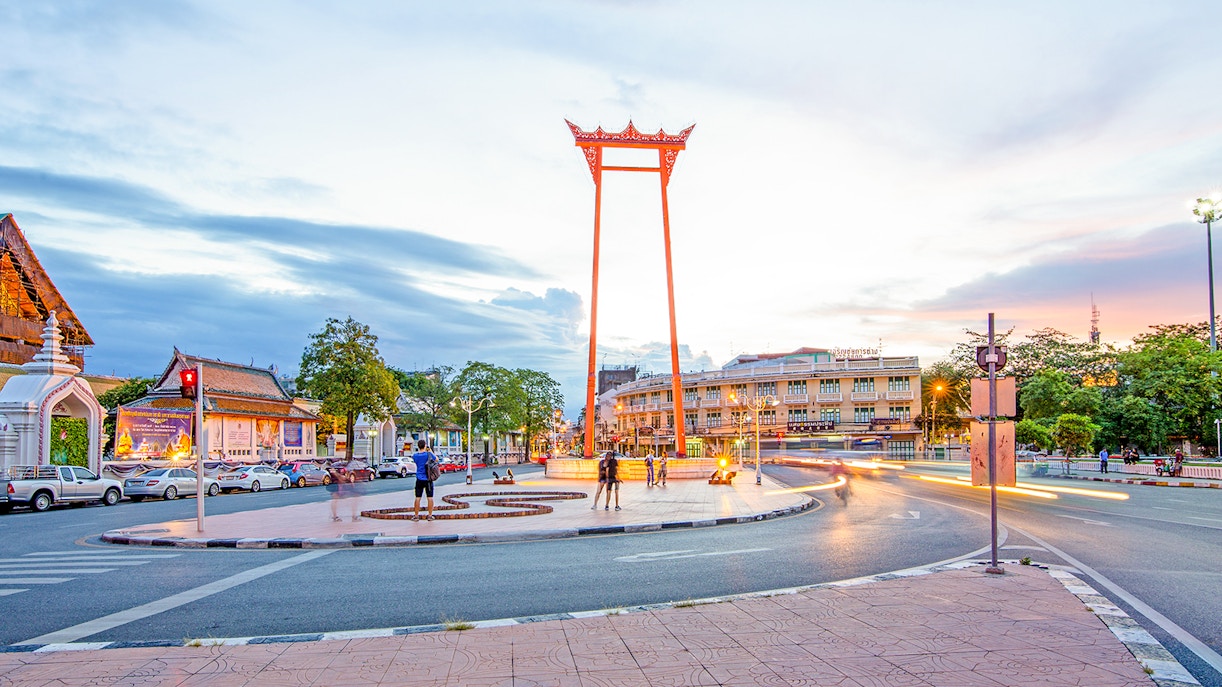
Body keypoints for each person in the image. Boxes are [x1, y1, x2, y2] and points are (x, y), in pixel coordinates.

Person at [411, 438, 437, 521]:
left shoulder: (415, 456)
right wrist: (430, 451)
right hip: (428, 478)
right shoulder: (428, 454)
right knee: (430, 497)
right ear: (425, 445)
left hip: (419, 478)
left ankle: (416, 515)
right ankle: (429, 515)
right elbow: (436, 459)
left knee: (418, 497)